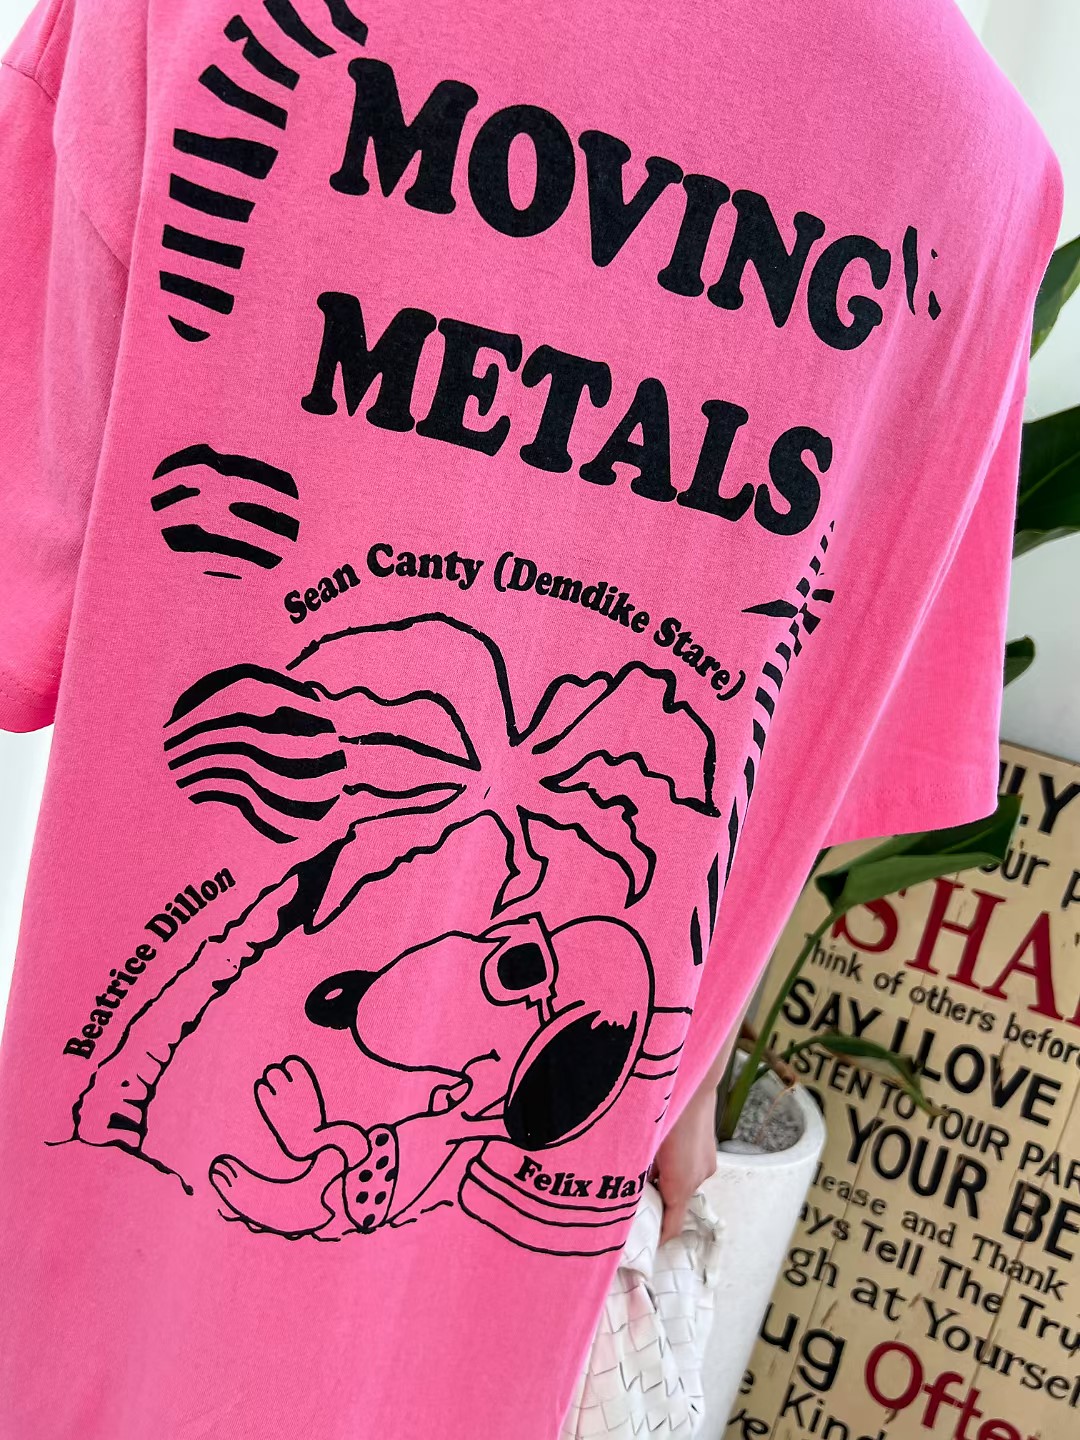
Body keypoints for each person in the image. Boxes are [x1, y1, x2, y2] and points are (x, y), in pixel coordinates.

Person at [0, 1, 1062, 1436]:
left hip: (112, 1305)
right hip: (490, 1334)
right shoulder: (981, 176)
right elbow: (800, 784)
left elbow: (31, 592)